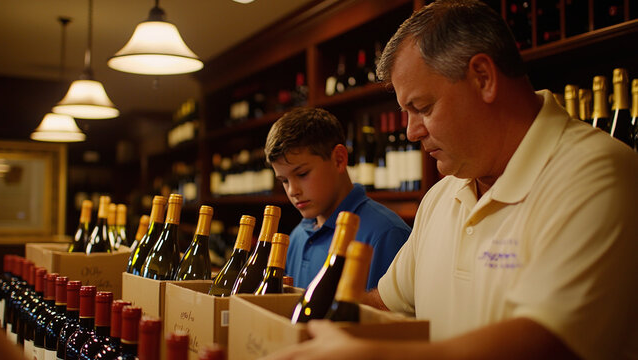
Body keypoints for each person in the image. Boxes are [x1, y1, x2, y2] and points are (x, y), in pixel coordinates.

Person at [262, 1, 638, 359]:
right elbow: (384, 301)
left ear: (483, 78)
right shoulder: (442, 196)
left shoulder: (597, 173)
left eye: (422, 107)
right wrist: (288, 321)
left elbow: (548, 344)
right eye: (406, 112)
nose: (410, 132)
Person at [264, 107, 411, 290]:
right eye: (284, 181)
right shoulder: (296, 237)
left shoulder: (386, 234)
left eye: (302, 174)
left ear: (339, 159)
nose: (292, 191)